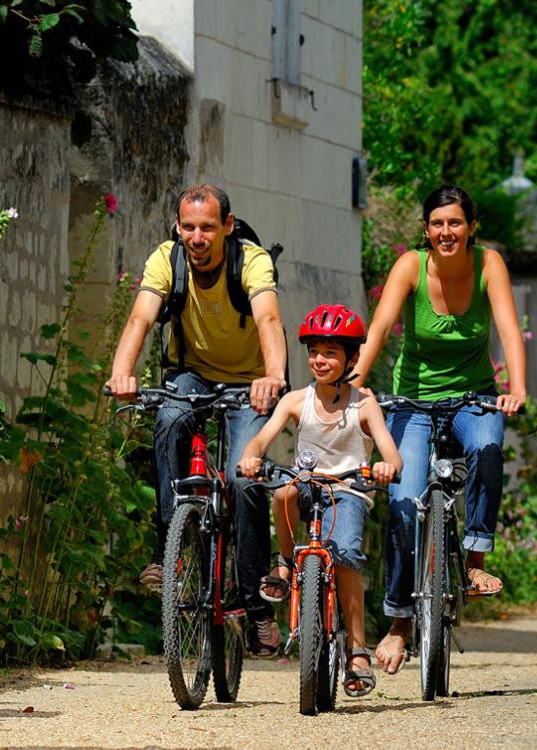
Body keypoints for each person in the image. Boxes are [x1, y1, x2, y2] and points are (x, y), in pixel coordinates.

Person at [350, 185, 528, 675]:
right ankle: (399, 624)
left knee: (489, 448)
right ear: (425, 229)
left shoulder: (489, 264)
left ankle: (475, 560)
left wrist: (516, 387)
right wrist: (353, 388)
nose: (446, 232)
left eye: (455, 223)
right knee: (405, 503)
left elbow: (509, 330)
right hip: (412, 403)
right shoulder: (410, 265)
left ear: (471, 226)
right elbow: (380, 328)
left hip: (474, 397)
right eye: (436, 224)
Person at [106, 184, 288, 656]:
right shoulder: (167, 260)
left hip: (251, 382)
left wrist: (274, 376)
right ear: (178, 226)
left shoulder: (251, 261)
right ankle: (170, 552)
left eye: (207, 227)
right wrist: (121, 373)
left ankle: (256, 605)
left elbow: (268, 320)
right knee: (168, 419)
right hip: (191, 375)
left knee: (243, 478)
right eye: (188, 227)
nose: (197, 237)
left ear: (227, 226)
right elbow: (140, 319)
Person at [238, 303, 402, 698]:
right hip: (308, 485)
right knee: (282, 490)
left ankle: (357, 649)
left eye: (331, 352)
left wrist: (385, 467)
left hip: (347, 491)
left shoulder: (363, 403)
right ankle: (284, 562)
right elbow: (265, 435)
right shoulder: (297, 400)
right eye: (314, 351)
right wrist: (252, 452)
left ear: (351, 358)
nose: (320, 360)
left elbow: (390, 453)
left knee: (344, 553)